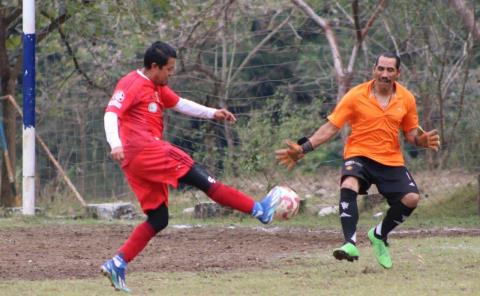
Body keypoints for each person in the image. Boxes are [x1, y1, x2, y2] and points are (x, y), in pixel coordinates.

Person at [101, 41, 282, 292]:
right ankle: (259, 210)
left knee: (159, 217)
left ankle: (118, 263)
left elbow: (180, 103)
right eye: (169, 69)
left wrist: (213, 113)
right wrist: (115, 144)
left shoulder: (156, 86)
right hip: (144, 150)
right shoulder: (131, 83)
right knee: (202, 178)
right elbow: (111, 113)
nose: (171, 74)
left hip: (135, 161)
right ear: (155, 66)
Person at [275, 52, 440, 269]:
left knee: (411, 198)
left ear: (397, 73)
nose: (384, 74)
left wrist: (421, 140)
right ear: (374, 70)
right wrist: (304, 148)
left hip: (390, 159)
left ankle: (379, 235)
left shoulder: (406, 98)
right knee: (349, 183)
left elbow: (411, 135)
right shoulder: (355, 95)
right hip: (359, 154)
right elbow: (331, 127)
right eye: (381, 69)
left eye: (390, 70)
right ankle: (350, 243)